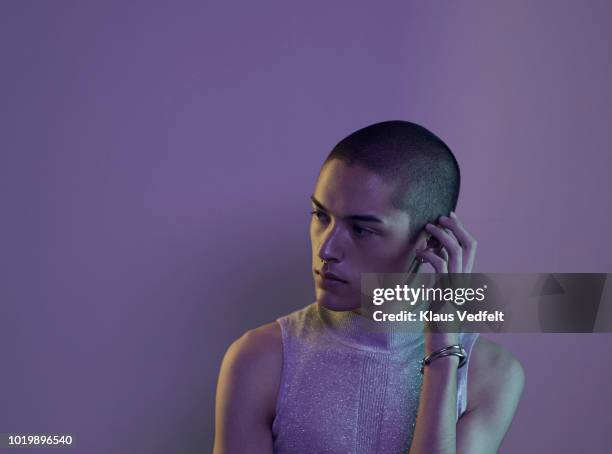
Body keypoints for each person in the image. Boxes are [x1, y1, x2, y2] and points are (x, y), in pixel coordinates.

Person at [213, 121, 524, 453]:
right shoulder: (262, 359)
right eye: (320, 216)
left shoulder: (488, 375)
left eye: (360, 230)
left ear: (432, 243)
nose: (326, 250)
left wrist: (443, 352)